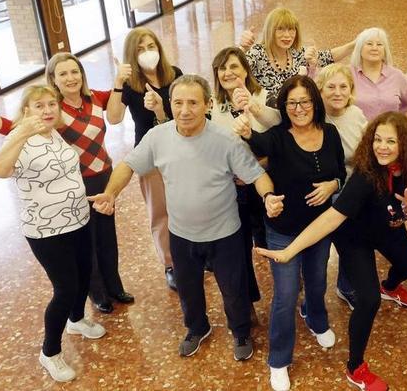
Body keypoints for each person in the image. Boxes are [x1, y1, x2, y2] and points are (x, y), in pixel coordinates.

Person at [89, 75, 277, 363]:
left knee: (234, 290)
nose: (185, 110)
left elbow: (256, 175)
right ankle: (197, 328)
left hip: (224, 234)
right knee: (188, 290)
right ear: (170, 104)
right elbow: (128, 165)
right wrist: (111, 192)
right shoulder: (158, 137)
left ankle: (240, 332)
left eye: (193, 103)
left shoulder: (225, 140)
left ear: (208, 104)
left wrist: (268, 197)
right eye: (178, 103)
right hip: (181, 233)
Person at [256, 111, 407, 391]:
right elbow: (332, 218)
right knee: (368, 300)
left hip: (387, 226)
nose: (382, 147)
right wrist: (290, 251)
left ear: (405, 145)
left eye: (391, 141)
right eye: (377, 139)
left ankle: (390, 287)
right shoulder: (366, 175)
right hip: (354, 236)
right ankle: (356, 368)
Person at [0, 53, 134, 314]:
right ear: (53, 79)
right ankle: (98, 293)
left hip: (104, 175)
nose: (71, 78)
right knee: (88, 243)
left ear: (82, 74)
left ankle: (114, 287)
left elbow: (116, 113)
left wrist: (120, 81)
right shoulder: (53, 109)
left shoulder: (94, 98)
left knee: (107, 238)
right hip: (76, 182)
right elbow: (13, 126)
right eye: (63, 74)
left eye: (74, 71)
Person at [233, 75, 345, 391]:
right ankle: (279, 360)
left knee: (318, 281)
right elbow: (256, 142)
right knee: (285, 295)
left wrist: (333, 185)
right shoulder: (277, 137)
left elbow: (340, 171)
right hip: (283, 231)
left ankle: (316, 319)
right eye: (291, 103)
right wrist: (245, 131)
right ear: (284, 107)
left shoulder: (330, 133)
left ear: (315, 103)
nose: (298, 108)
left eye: (304, 101)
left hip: (319, 229)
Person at [0, 85, 106, 383]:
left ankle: (76, 320)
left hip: (78, 218)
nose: (47, 110)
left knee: (84, 274)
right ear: (26, 110)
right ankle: (50, 352)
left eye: (51, 104)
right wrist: (21, 133)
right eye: (39, 105)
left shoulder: (53, 132)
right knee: (65, 288)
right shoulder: (20, 138)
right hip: (46, 230)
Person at [106, 26, 183, 290]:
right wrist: (118, 82)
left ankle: (195, 252)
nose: (148, 52)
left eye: (151, 46)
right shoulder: (130, 85)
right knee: (161, 211)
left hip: (181, 149)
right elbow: (113, 118)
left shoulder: (175, 74)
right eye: (140, 49)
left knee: (187, 203)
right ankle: (171, 264)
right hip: (150, 155)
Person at [209, 46, 282, 323]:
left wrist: (252, 106)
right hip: (232, 189)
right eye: (222, 68)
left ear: (246, 70)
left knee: (271, 238)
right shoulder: (214, 105)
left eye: (234, 66)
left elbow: (280, 131)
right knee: (238, 248)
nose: (228, 73)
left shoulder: (264, 95)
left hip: (264, 182)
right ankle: (247, 302)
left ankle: (288, 287)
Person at [314, 64, 368, 310]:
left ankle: (346, 286)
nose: (338, 92)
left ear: (351, 90)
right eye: (331, 87)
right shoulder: (314, 116)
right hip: (320, 190)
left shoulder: (356, 114)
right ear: (320, 90)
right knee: (318, 250)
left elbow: (368, 150)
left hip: (351, 189)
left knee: (351, 244)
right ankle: (313, 298)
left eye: (343, 87)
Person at [241, 7, 355, 107]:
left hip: (295, 114)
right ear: (270, 31)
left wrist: (354, 45)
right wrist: (242, 48)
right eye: (280, 29)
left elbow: (328, 56)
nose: (287, 35)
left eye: (291, 29)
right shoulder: (257, 53)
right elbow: (235, 67)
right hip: (264, 116)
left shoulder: (298, 53)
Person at [349, 27, 407, 120]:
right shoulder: (348, 74)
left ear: (385, 50)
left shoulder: (398, 76)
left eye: (379, 44)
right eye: (369, 44)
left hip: (390, 129)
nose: (374, 48)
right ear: (359, 48)